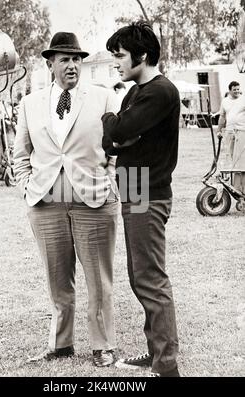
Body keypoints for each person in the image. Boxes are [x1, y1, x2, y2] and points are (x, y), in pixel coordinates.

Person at [13, 32, 119, 367]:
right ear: (50, 64)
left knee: (98, 279)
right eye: (64, 59)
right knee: (57, 277)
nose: (72, 65)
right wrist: (27, 189)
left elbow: (117, 150)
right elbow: (20, 155)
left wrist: (108, 182)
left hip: (94, 201)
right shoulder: (30, 103)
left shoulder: (103, 99)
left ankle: (103, 345)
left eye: (77, 59)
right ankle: (61, 344)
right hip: (45, 203)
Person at [101, 21, 180, 377]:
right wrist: (117, 133)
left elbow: (116, 131)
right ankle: (155, 353)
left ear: (142, 55)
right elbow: (113, 142)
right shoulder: (136, 92)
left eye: (119, 56)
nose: (115, 63)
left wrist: (111, 122)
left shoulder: (160, 92)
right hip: (133, 188)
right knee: (139, 277)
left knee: (150, 279)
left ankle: (166, 366)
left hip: (148, 192)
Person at [217, 81, 242, 167]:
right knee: (229, 153)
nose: (237, 91)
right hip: (229, 131)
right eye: (234, 89)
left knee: (241, 154)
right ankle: (231, 173)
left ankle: (241, 173)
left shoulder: (243, 99)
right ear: (230, 90)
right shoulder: (225, 101)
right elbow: (222, 117)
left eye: (238, 89)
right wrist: (219, 130)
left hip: (241, 131)